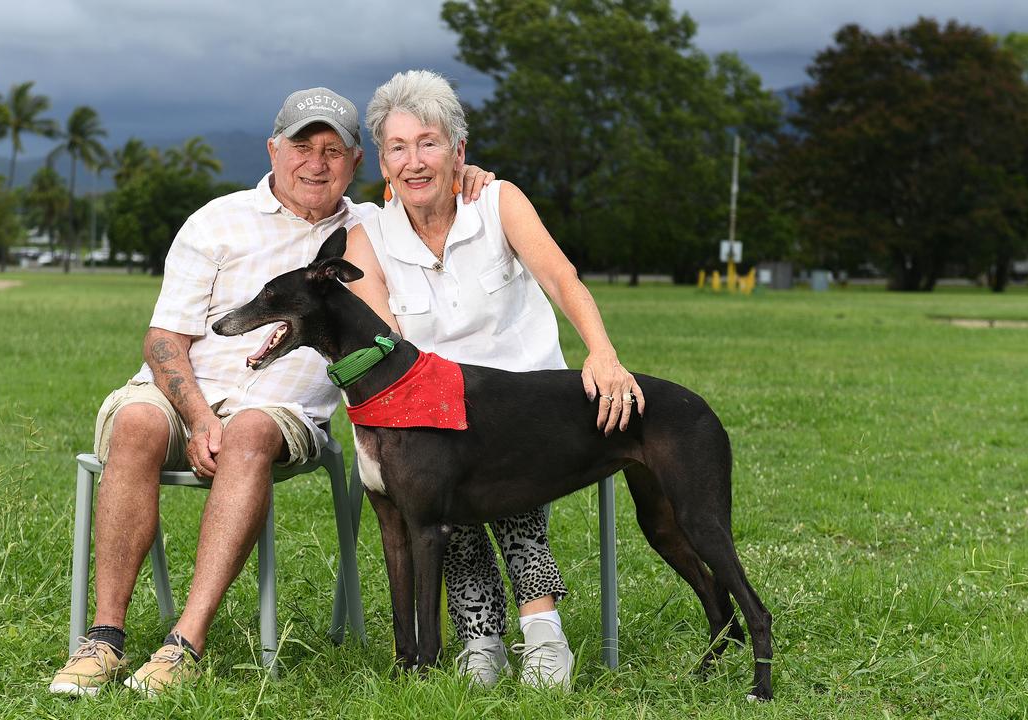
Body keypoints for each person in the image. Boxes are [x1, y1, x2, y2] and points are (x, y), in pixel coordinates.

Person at [50, 86, 492, 697]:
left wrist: (466, 172)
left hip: (281, 415)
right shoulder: (217, 220)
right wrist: (200, 415)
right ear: (273, 150)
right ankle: (104, 640)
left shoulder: (372, 229)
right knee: (136, 424)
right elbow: (162, 341)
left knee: (251, 432)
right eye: (301, 146)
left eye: (334, 150)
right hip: (185, 399)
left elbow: (431, 189)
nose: (317, 162)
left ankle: (185, 644)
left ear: (358, 164)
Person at [344, 70, 645, 690]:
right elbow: (384, 339)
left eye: (428, 143)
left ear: (459, 149)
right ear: (383, 160)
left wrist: (603, 353)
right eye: (398, 148)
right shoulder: (367, 234)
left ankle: (542, 632)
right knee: (436, 464)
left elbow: (563, 279)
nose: (413, 161)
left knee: (503, 456)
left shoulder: (498, 200)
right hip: (436, 409)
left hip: (526, 399)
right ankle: (480, 638)